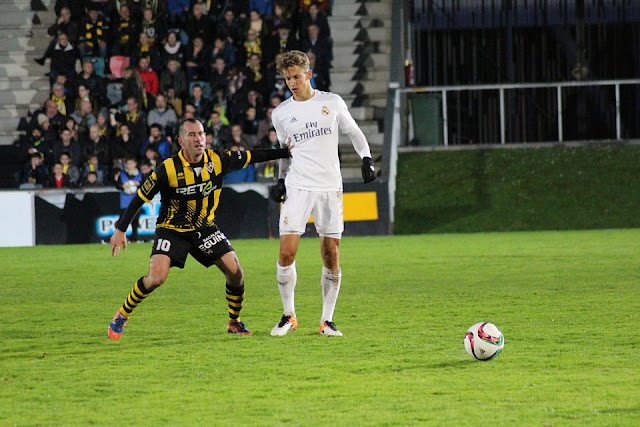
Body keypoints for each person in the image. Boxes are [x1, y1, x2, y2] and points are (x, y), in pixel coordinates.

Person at [107, 118, 291, 339]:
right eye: (192, 135)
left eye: (201, 134)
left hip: (204, 227)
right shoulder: (168, 169)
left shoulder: (217, 160)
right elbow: (139, 197)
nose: (198, 139)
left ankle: (234, 322)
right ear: (181, 141)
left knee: (236, 273)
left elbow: (253, 156)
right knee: (156, 278)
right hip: (171, 229)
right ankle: (122, 314)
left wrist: (285, 152)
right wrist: (121, 229)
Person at [268, 50, 376, 337]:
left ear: (308, 74)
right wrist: (281, 180)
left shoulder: (332, 102)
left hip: (330, 187)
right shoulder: (281, 114)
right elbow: (284, 151)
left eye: (296, 77)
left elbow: (354, 132)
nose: (291, 82)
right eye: (287, 78)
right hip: (298, 186)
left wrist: (366, 158)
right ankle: (288, 315)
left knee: (331, 254)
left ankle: (327, 320)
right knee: (286, 252)